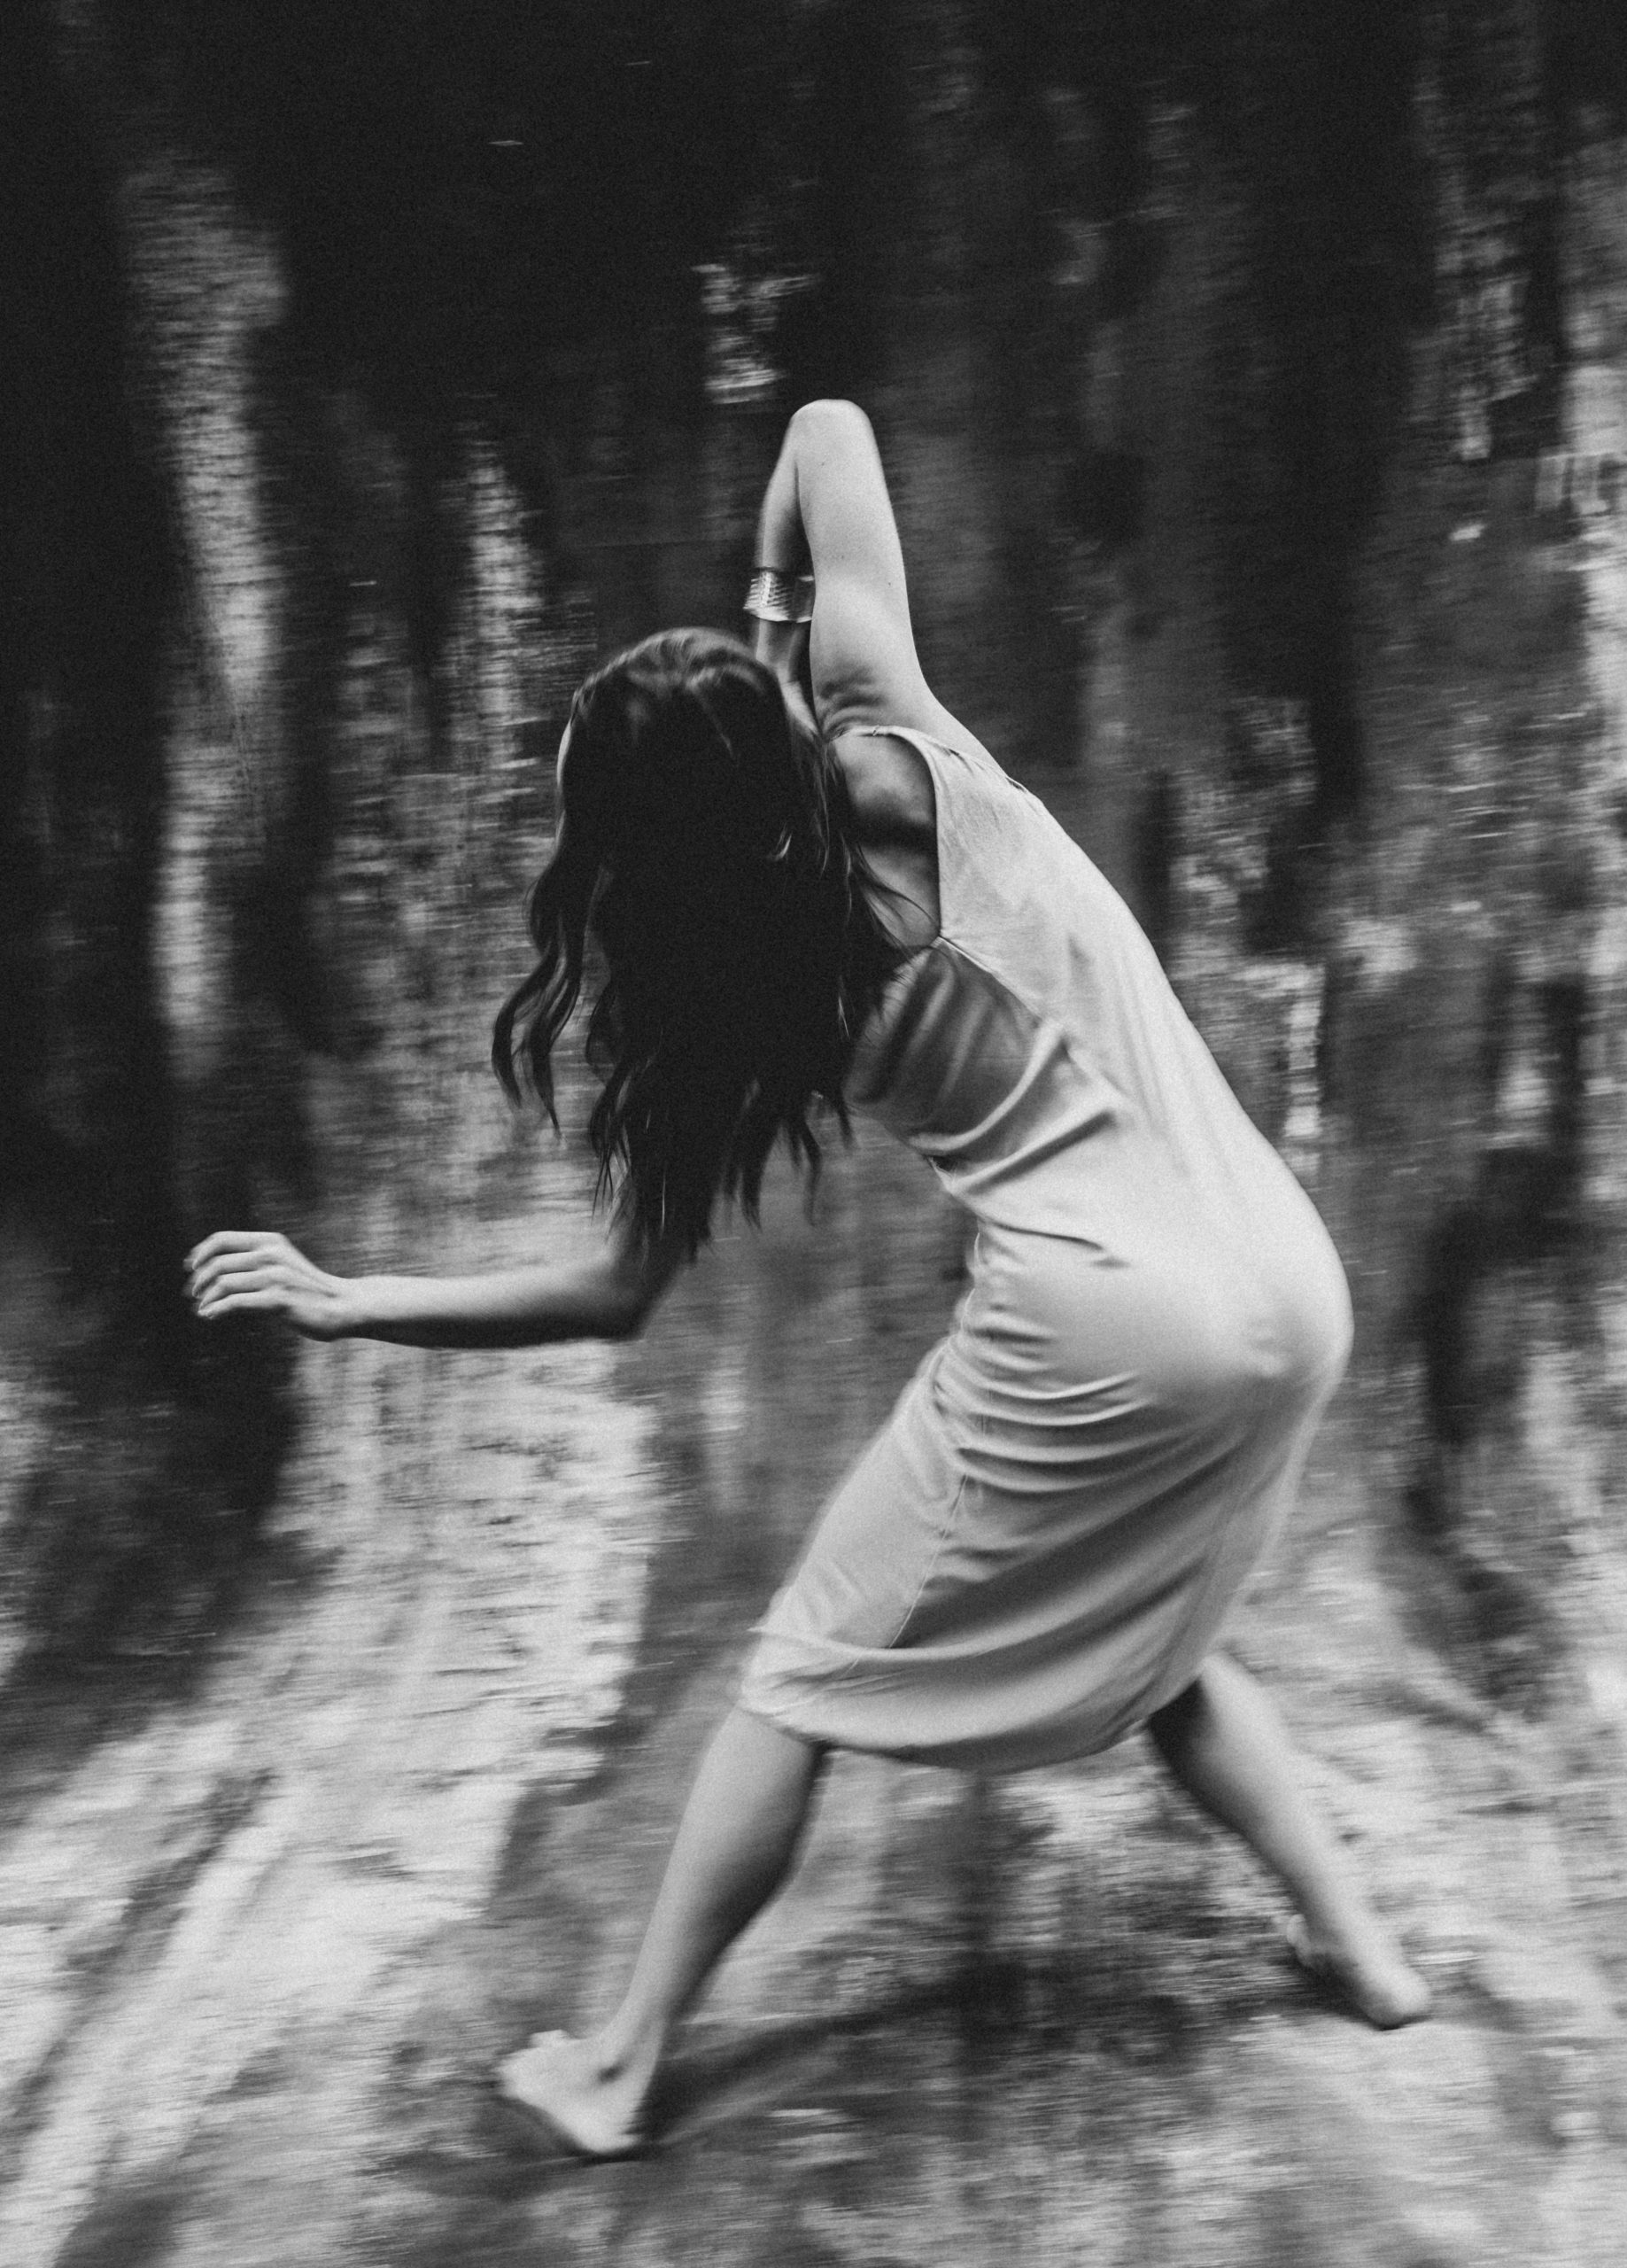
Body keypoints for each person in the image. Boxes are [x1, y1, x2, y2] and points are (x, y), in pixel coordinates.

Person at [187, 398, 1429, 2162]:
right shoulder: (902, 743)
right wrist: (773, 619)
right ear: (780, 736)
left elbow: (609, 1297)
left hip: (1105, 1324)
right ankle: (1365, 1951)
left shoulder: (731, 1007)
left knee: (793, 1678)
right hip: (1286, 1283)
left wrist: (349, 1298)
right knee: (1165, 1643)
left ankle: (619, 2067)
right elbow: (829, 431)